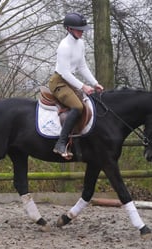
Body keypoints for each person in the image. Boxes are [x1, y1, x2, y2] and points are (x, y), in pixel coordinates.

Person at [48, 12, 104, 159]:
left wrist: (95, 83)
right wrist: (83, 86)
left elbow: (82, 66)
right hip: (59, 82)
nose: (81, 32)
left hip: (70, 81)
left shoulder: (80, 43)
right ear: (69, 29)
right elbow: (65, 73)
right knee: (77, 107)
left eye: (82, 29)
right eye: (78, 29)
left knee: (89, 103)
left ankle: (78, 143)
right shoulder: (64, 46)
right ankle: (60, 143)